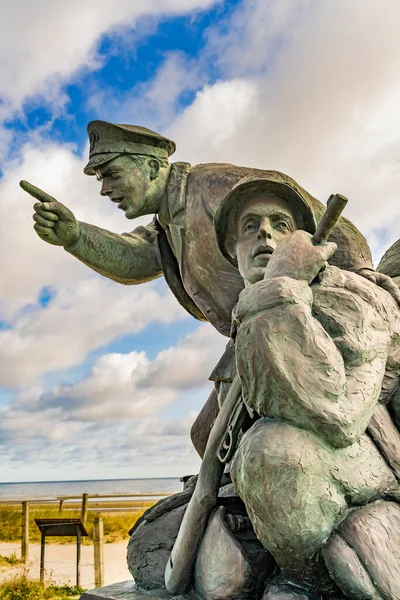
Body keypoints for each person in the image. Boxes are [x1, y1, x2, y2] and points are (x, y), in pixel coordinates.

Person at [21, 120, 399, 457]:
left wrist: (363, 281)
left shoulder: (214, 186)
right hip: (249, 334)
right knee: (206, 436)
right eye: (101, 179)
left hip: (299, 322)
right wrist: (74, 236)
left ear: (153, 166)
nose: (104, 189)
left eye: (112, 174)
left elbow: (323, 221)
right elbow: (136, 258)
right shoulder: (167, 224)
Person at [211, 172, 400, 598]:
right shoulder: (246, 323)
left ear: (309, 243)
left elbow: (336, 414)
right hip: (283, 501)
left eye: (281, 224)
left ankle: (312, 584)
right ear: (234, 253)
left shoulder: (354, 304)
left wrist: (282, 287)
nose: (264, 232)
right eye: (248, 227)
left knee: (273, 453)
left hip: (360, 476)